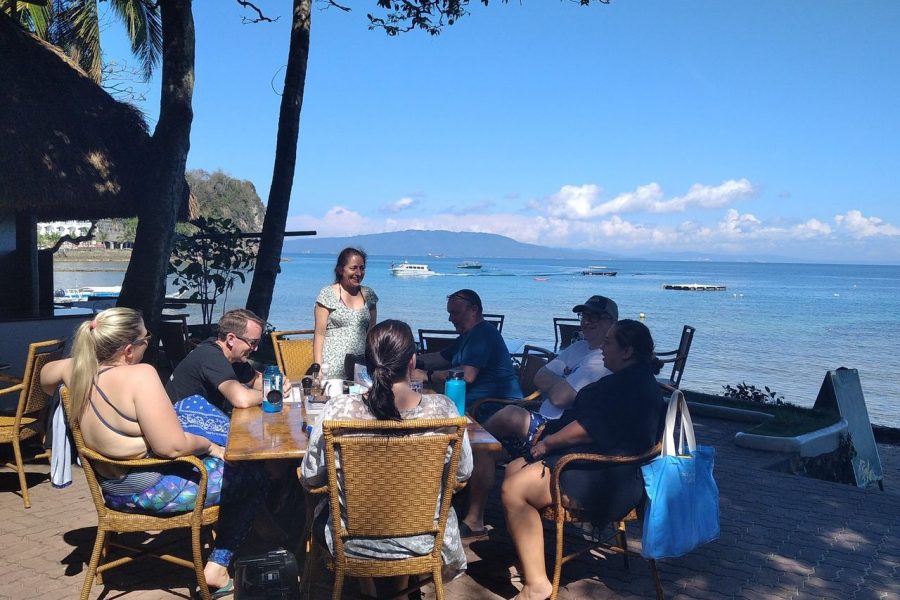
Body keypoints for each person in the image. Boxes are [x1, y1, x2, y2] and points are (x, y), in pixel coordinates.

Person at [40, 307, 266, 596]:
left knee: (190, 406)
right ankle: (218, 567)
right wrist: (209, 446)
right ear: (128, 350)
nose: (148, 343)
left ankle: (261, 527)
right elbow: (171, 447)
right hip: (150, 492)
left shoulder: (78, 370)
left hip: (111, 489)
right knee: (253, 472)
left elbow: (45, 376)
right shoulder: (140, 376)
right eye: (146, 338)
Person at [501, 319, 666, 600]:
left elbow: (587, 429)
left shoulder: (626, 385)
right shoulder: (633, 378)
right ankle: (528, 558)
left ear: (627, 352)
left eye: (609, 342)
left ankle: (537, 586)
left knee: (513, 489)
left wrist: (548, 443)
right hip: (606, 465)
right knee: (515, 467)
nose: (602, 347)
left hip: (610, 480)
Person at [301, 319, 473, 589]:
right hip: (425, 540)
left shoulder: (338, 411)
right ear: (412, 361)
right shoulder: (444, 410)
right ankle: (398, 591)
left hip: (353, 543)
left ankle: (370, 589)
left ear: (368, 364)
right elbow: (462, 473)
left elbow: (311, 476)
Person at [458, 295, 618, 539]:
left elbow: (561, 399)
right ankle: (474, 519)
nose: (587, 321)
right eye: (584, 316)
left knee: (508, 417)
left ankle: (460, 457)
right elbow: (539, 376)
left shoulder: (603, 360)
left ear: (612, 322)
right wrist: (560, 384)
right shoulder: (578, 347)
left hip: (558, 430)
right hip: (542, 420)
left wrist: (557, 383)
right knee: (486, 449)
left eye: (595, 317)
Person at [414, 288, 522, 416]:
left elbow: (467, 375)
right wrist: (410, 360)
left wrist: (427, 375)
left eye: (455, 313)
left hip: (494, 407)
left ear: (474, 310)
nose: (450, 319)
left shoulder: (483, 333)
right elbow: (439, 358)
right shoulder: (468, 336)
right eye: (450, 313)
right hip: (474, 404)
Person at [166, 308, 290, 413]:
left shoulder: (233, 356)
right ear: (231, 339)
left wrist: (277, 383)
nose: (255, 348)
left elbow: (255, 380)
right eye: (253, 342)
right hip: (182, 424)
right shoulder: (212, 357)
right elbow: (242, 399)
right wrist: (274, 393)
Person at [313, 247, 378, 380]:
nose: (358, 273)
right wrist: (318, 367)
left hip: (360, 366)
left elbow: (372, 333)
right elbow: (319, 334)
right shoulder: (328, 294)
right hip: (333, 366)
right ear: (340, 269)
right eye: (353, 268)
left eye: (362, 268)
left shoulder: (369, 295)